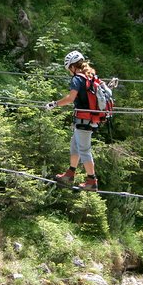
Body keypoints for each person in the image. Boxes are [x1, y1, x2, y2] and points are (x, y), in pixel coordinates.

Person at [45, 50, 98, 191]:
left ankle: (92, 181)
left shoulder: (77, 79)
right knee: (74, 146)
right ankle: (70, 173)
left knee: (84, 150)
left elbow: (70, 99)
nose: (69, 71)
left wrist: (54, 104)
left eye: (69, 68)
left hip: (83, 120)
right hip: (84, 120)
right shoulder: (89, 77)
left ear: (73, 67)